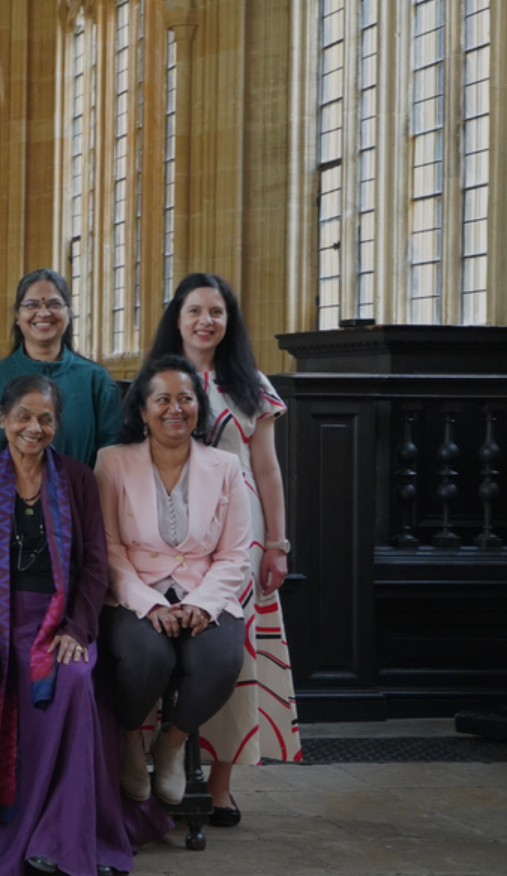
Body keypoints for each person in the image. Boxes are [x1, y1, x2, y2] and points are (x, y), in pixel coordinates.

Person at [0, 375, 133, 876]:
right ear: (2, 419)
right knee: (17, 687)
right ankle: (30, 828)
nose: (33, 428)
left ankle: (65, 835)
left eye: (45, 418)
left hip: (63, 618)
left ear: (57, 425)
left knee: (75, 680)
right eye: (23, 416)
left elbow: (95, 566)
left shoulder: (79, 479)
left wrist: (78, 628)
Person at [146, 273, 302, 824]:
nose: (205, 321)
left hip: (241, 531)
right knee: (161, 639)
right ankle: (150, 768)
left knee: (233, 653)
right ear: (177, 318)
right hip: (168, 527)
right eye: (195, 310)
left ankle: (220, 784)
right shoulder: (158, 378)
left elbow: (267, 469)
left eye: (216, 311)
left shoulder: (249, 383)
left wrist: (277, 545)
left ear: (229, 320)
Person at [95, 355, 251, 806]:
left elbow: (235, 553)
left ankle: (173, 741)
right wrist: (149, 603)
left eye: (185, 398)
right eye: (162, 400)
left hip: (204, 591)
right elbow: (107, 548)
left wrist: (204, 603)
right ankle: (130, 740)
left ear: (199, 405)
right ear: (143, 410)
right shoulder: (112, 461)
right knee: (148, 657)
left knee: (222, 661)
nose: (175, 409)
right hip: (134, 592)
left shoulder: (225, 465)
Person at [0, 269, 119, 473]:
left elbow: (111, 456)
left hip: (80, 492)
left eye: (54, 304)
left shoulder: (95, 380)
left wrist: (80, 488)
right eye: (32, 305)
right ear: (18, 315)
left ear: (69, 313)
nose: (43, 312)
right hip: (2, 493)